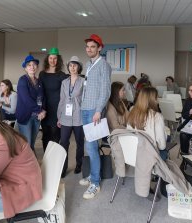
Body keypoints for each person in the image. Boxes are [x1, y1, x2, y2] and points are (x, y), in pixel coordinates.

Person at [79, 34, 111, 199]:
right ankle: (93, 174)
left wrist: (99, 110)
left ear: (99, 48)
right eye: (88, 47)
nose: (89, 49)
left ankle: (95, 183)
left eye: (93, 46)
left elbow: (105, 90)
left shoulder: (103, 65)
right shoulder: (88, 64)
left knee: (91, 147)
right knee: (88, 145)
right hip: (85, 108)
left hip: (94, 111)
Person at [57, 56, 85, 177]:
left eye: (75, 65)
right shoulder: (64, 82)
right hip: (66, 117)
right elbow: (62, 100)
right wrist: (59, 116)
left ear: (79, 67)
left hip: (79, 116)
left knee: (80, 143)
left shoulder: (83, 81)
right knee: (63, 143)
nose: (72, 67)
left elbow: (86, 100)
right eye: (70, 65)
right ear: (68, 67)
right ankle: (63, 168)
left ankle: (79, 165)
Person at [127, 87, 168, 160]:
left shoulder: (132, 111)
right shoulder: (157, 116)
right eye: (157, 98)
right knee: (165, 149)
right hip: (150, 157)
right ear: (152, 100)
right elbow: (162, 146)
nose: (158, 100)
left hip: (133, 153)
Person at [39, 48, 68, 151]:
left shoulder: (62, 75)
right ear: (47, 59)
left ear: (58, 60)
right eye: (51, 58)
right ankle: (46, 160)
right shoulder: (42, 74)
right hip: (45, 109)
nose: (52, 60)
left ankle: (55, 162)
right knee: (45, 136)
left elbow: (66, 95)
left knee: (55, 137)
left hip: (57, 110)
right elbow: (39, 92)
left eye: (55, 58)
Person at [16, 55, 46, 151]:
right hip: (26, 117)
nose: (32, 67)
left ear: (37, 67)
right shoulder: (22, 80)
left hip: (37, 117)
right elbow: (26, 99)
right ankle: (26, 165)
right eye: (29, 65)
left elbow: (43, 97)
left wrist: (44, 110)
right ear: (25, 68)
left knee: (32, 143)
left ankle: (31, 164)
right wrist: (39, 111)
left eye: (34, 65)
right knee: (27, 145)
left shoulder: (39, 81)